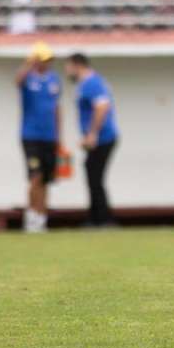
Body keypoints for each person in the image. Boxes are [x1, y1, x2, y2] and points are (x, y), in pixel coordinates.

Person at [65, 53, 117, 228]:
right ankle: (97, 218)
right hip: (98, 138)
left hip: (103, 138)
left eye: (68, 67)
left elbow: (102, 107)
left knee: (95, 178)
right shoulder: (87, 83)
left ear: (77, 65)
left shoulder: (91, 83)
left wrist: (92, 134)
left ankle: (102, 219)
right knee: (92, 176)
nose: (67, 71)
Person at [16, 42, 62, 234]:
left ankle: (42, 218)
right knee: (35, 176)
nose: (47, 63)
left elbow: (57, 108)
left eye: (48, 60)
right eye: (43, 60)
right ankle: (31, 217)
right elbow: (17, 81)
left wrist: (59, 136)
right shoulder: (28, 79)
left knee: (46, 180)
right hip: (31, 136)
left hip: (49, 137)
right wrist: (29, 63)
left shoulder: (54, 79)